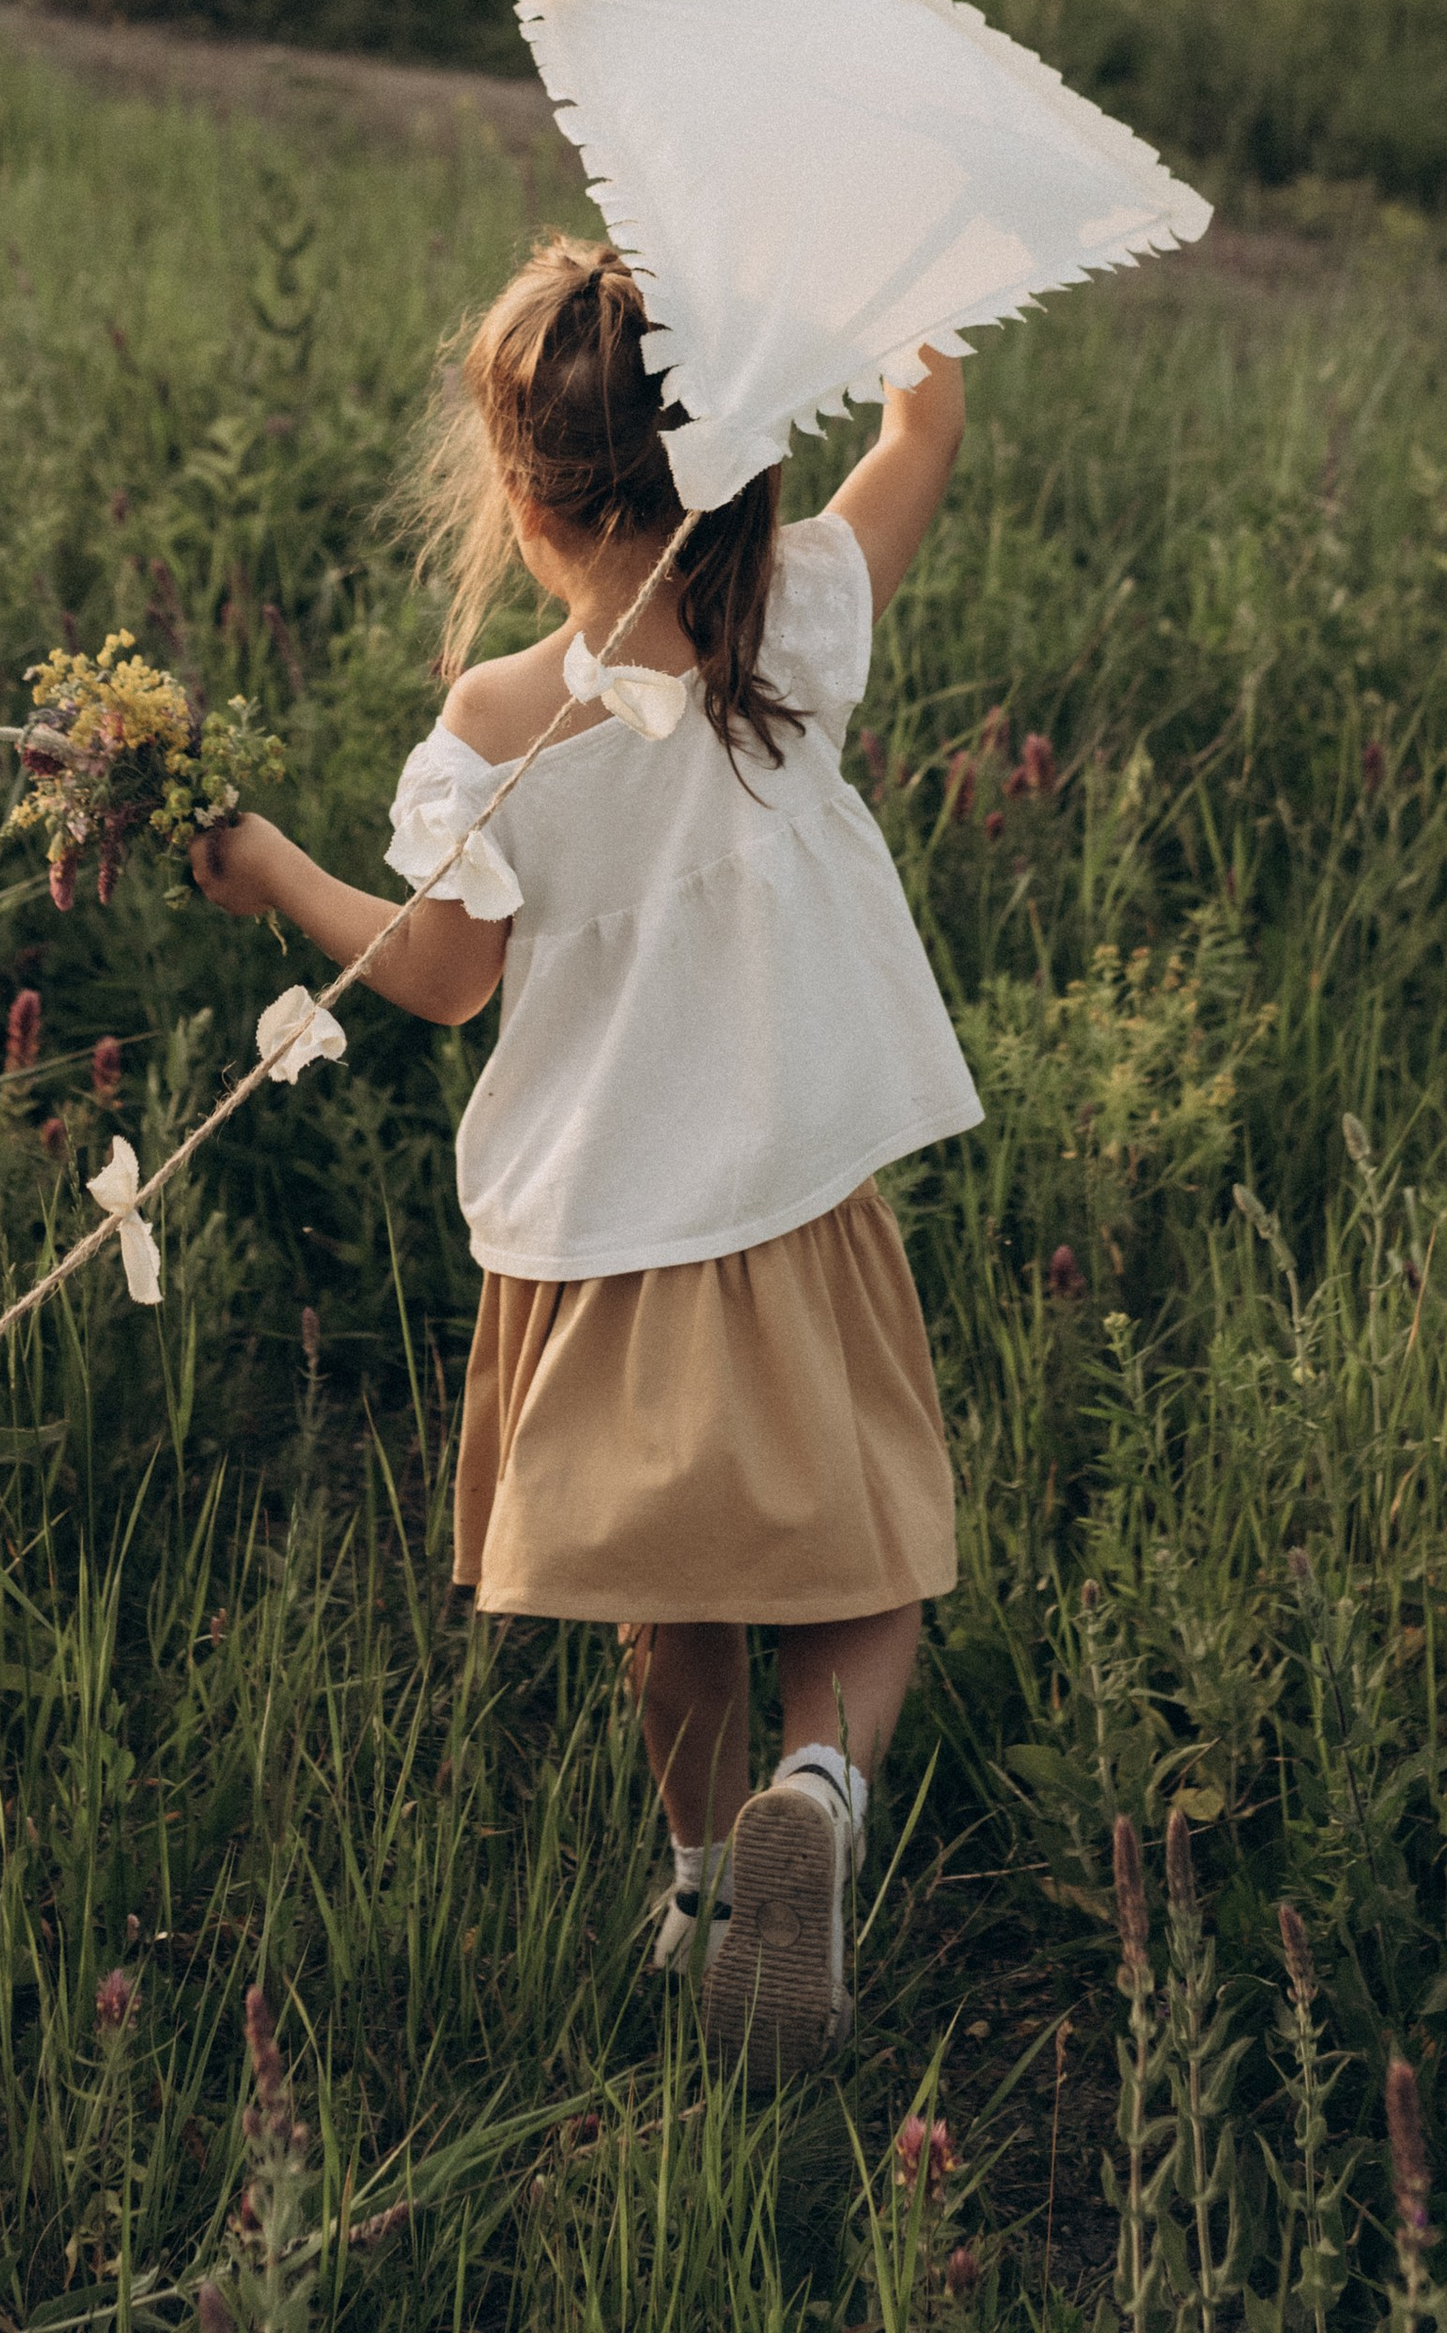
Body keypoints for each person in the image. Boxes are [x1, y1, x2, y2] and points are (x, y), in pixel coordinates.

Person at [190, 237, 979, 2079]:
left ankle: (705, 1880)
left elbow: (447, 980)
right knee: (866, 1570)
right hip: (792, 1205)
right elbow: (925, 435)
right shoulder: (787, 623)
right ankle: (820, 1793)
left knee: (668, 1603)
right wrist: (899, 320)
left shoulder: (492, 727)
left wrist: (271, 869)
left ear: (526, 505)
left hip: (598, 1237)